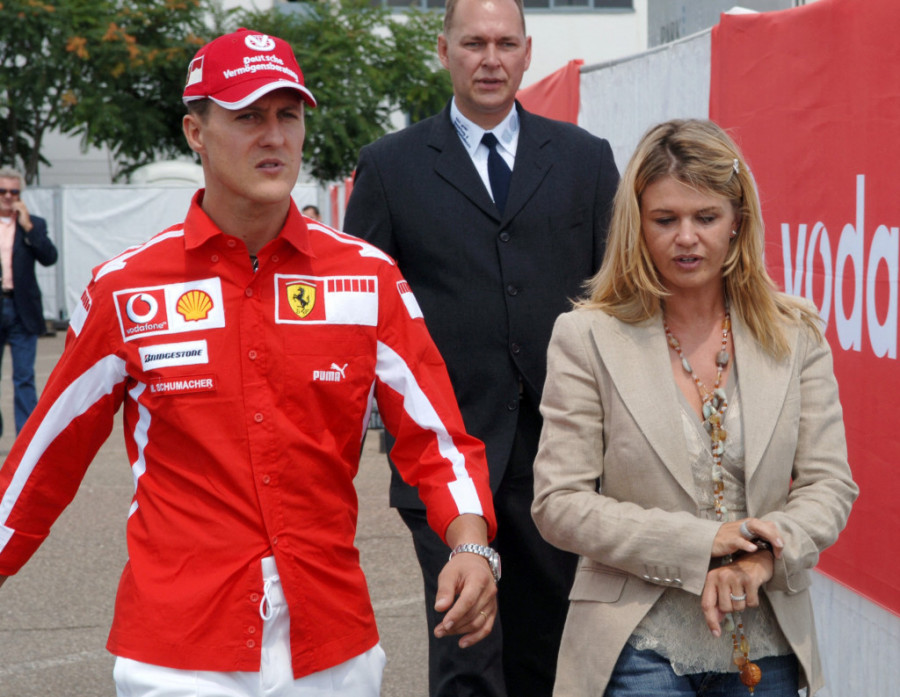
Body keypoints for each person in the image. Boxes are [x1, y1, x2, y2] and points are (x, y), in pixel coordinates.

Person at [0, 29, 500, 697]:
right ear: (195, 132)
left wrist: (470, 544)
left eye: (288, 115)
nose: (274, 137)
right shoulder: (127, 290)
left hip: (333, 646)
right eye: (247, 116)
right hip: (178, 652)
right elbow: (44, 460)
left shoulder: (368, 278)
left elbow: (438, 440)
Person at [342, 0, 619, 694]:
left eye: (505, 43)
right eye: (473, 43)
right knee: (467, 650)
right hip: (443, 450)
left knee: (550, 654)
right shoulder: (389, 167)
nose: (490, 59)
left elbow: (620, 298)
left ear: (527, 52)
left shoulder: (585, 160)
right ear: (444, 51)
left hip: (562, 450)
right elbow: (359, 315)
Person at [531, 119, 859, 697]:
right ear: (637, 225)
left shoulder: (796, 331)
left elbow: (829, 485)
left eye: (705, 217)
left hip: (768, 644)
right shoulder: (586, 337)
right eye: (665, 220)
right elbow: (559, 503)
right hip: (637, 645)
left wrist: (761, 560)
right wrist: (702, 542)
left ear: (738, 221)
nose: (686, 238)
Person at [0, 167, 58, 437]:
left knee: (24, 376)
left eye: (14, 192)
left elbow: (49, 257)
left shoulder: (34, 224)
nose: (8, 196)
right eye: (2, 191)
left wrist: (28, 228)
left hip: (22, 309)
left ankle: (26, 438)